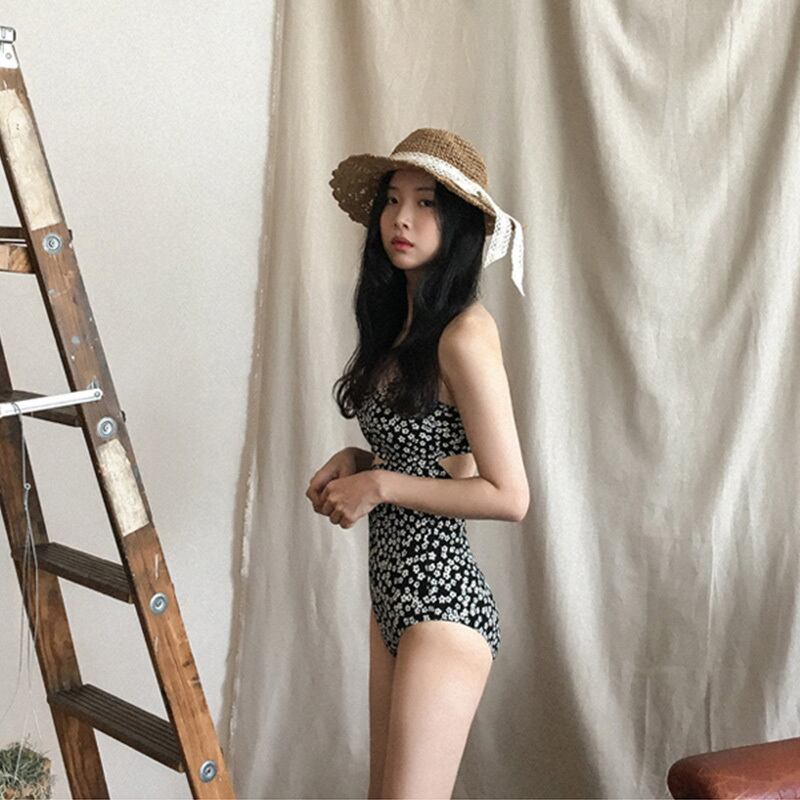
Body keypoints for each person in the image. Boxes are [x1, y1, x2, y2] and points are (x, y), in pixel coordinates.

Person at [306, 128, 529, 799]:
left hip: (442, 599)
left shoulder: (464, 334)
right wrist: (360, 458)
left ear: (457, 223)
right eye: (393, 199)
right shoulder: (405, 325)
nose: (401, 218)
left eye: (426, 202)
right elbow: (442, 458)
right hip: (393, 593)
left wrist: (377, 483)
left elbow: (509, 494)